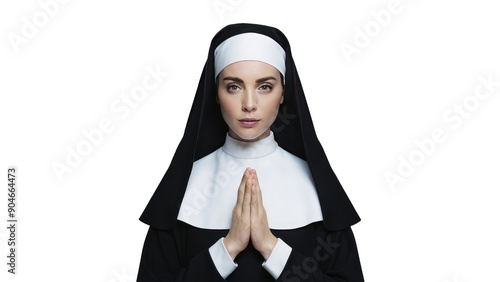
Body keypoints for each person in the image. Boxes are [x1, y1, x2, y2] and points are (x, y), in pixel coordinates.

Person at [137, 23, 364, 281]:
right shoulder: (183, 190)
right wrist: (228, 247)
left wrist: (271, 246)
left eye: (264, 86)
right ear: (216, 93)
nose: (249, 104)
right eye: (234, 86)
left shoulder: (318, 191)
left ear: (283, 93)